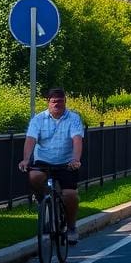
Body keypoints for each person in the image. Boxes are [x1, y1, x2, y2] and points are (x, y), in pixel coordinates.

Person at [18, 88, 84, 244]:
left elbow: (77, 139)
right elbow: (30, 140)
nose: (57, 104)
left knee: (70, 195)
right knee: (34, 176)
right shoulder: (38, 119)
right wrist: (26, 159)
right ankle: (41, 199)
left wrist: (75, 159)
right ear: (48, 102)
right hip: (44, 161)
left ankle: (71, 227)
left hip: (66, 163)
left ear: (65, 102)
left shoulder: (73, 118)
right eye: (54, 101)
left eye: (60, 101)